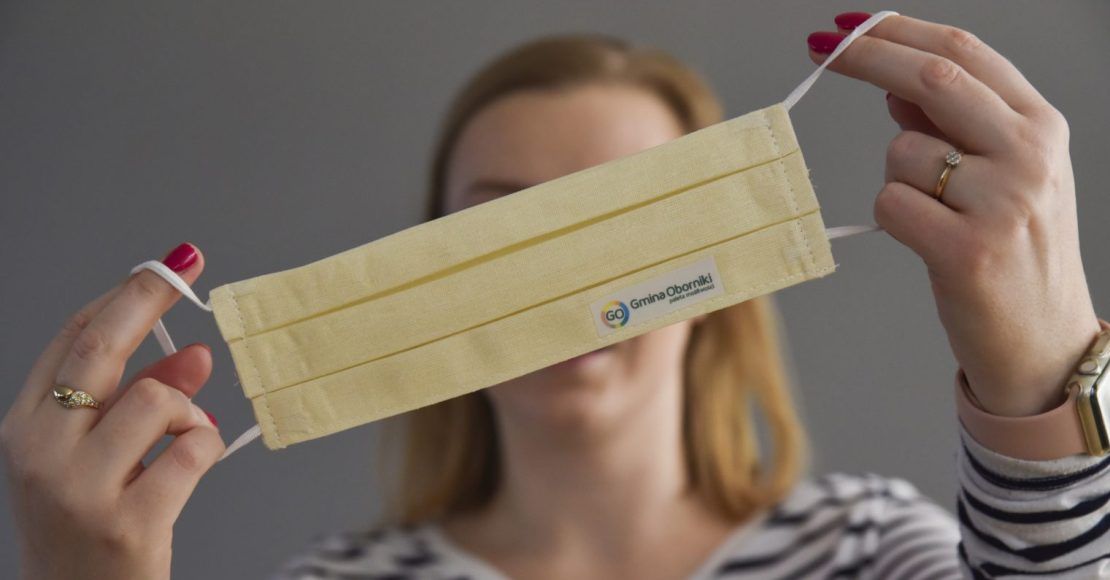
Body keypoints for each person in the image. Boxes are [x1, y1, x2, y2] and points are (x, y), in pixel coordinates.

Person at [3, 10, 1105, 580]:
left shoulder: (868, 550)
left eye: (626, 216)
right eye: (501, 229)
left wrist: (1048, 373)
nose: (568, 274)